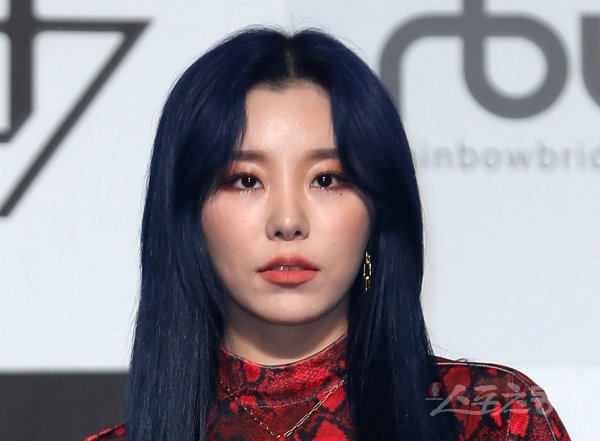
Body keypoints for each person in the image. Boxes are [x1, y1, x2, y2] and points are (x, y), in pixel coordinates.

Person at [85, 27, 571, 441]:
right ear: (187, 215)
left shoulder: (494, 418)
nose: (288, 220)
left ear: (378, 208)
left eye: (327, 178)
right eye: (246, 180)